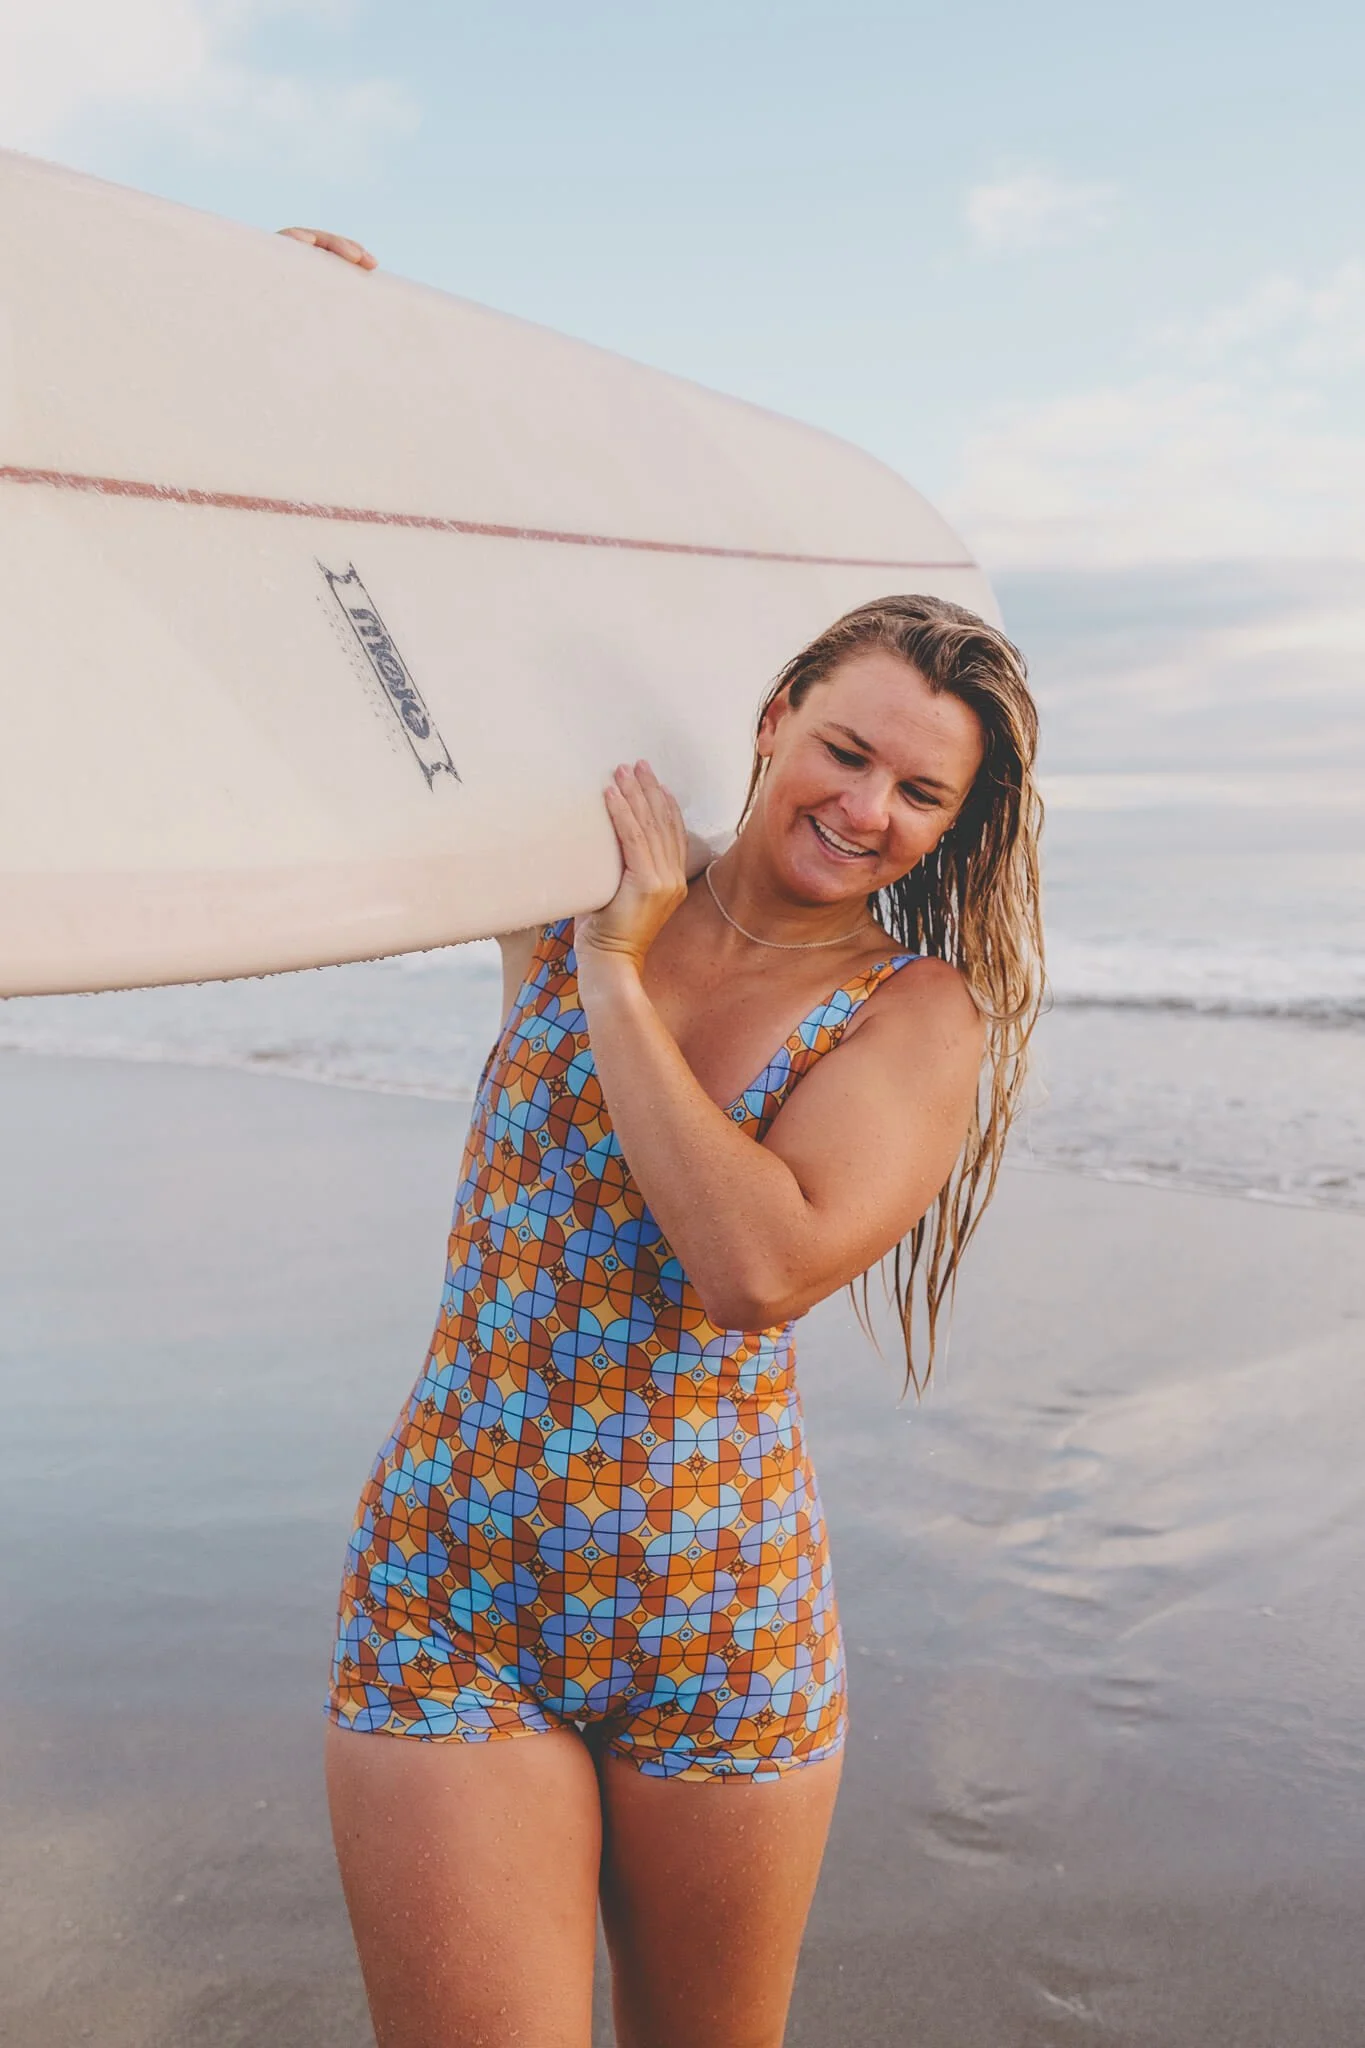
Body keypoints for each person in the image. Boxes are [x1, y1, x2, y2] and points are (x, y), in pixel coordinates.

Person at [282, 228, 1044, 2048]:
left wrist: (617, 983)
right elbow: (421, 652)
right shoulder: (574, 867)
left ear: (949, 830)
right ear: (775, 717)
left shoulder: (918, 1019)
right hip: (453, 1579)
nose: (866, 806)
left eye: (918, 792)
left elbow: (757, 1262)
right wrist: (328, 372)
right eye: (845, 750)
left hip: (720, 1617)